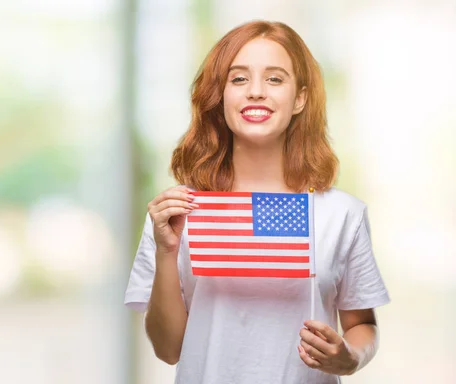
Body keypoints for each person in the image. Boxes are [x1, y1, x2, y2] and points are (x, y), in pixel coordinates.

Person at [124, 20, 390, 384]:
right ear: (221, 96)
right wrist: (165, 251)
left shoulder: (342, 214)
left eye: (275, 79)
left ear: (300, 98)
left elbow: (362, 325)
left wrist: (348, 357)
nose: (256, 92)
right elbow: (168, 349)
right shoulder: (177, 213)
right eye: (239, 79)